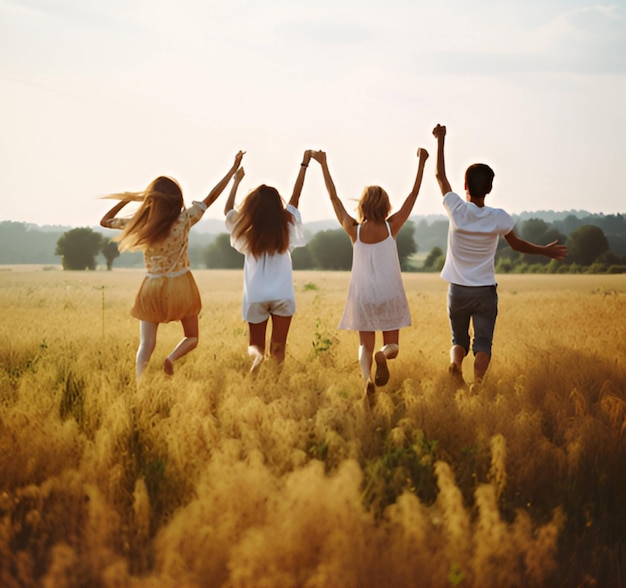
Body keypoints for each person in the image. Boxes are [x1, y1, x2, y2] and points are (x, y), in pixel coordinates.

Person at [432, 123, 568, 385]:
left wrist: (440, 139)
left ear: (464, 185)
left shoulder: (457, 210)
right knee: (483, 343)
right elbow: (516, 245)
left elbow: (439, 175)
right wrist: (545, 251)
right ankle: (478, 386)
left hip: (458, 289)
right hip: (484, 290)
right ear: (490, 189)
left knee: (458, 339)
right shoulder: (499, 218)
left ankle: (454, 363)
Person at [100, 151, 245, 381]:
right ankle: (170, 358)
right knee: (192, 338)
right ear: (177, 200)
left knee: (146, 344)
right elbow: (212, 196)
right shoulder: (184, 220)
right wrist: (232, 170)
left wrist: (131, 198)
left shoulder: (143, 226)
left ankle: (140, 386)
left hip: (151, 287)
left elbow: (105, 221)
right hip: (181, 285)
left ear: (152, 201)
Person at [311, 147, 429, 400]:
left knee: (364, 345)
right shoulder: (392, 226)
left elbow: (333, 198)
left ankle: (366, 380)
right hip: (389, 293)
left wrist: (323, 164)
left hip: (362, 294)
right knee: (393, 346)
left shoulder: (353, 230)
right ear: (386, 206)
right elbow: (414, 194)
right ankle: (384, 355)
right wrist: (421, 163)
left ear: (362, 205)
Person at [224, 150, 311, 371]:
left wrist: (236, 180)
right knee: (279, 349)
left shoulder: (247, 231)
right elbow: (296, 196)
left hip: (255, 295)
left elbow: (228, 212)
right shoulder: (286, 226)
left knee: (256, 346)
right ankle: (274, 385)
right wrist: (304, 164)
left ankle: (256, 364)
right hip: (282, 294)